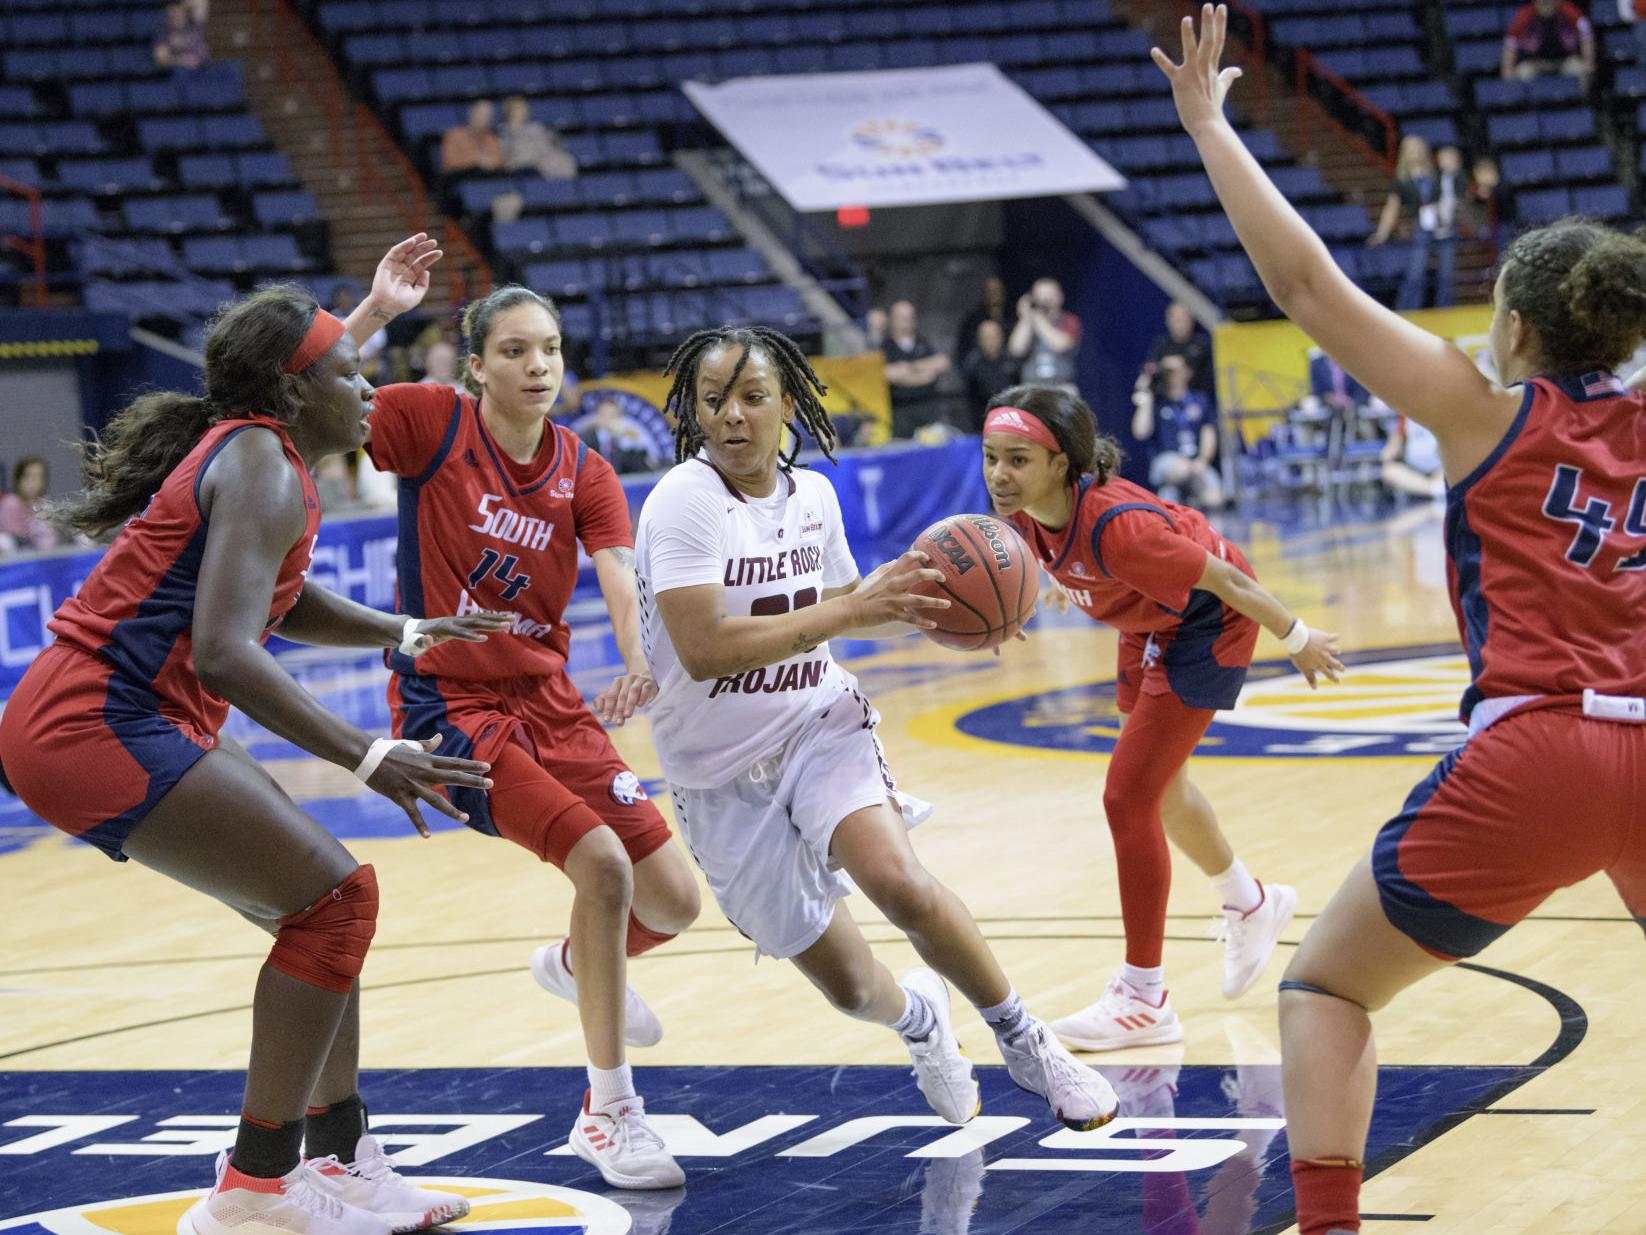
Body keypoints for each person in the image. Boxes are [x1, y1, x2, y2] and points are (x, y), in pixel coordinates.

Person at [1155, 9, 1646, 1234]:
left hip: (1540, 747)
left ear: (1515, 329)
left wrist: (1210, 125)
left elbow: (1304, 285)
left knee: (1324, 986)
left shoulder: (1486, 410)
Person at [0, 286, 502, 1235]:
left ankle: (341, 1160)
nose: (370, 387)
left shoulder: (263, 454)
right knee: (336, 901)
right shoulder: (261, 463)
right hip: (97, 718)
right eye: (350, 372)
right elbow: (227, 651)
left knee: (322, 907)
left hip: (113, 713)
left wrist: (400, 628)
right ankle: (254, 1189)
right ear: (292, 388)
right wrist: (367, 753)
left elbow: (281, 595)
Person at [634, 323, 1120, 1132]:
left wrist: (948, 607)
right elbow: (705, 648)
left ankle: (1024, 1037)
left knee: (900, 882)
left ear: (788, 405)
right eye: (713, 400)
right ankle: (921, 1021)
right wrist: (854, 610)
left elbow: (845, 608)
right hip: (718, 773)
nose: (732, 415)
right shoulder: (685, 500)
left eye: (753, 397)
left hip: (816, 722)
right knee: (854, 988)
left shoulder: (813, 497)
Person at [342, 238, 702, 1191]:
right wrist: (375, 311)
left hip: (549, 699)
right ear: (476, 365)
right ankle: (608, 1112)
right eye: (514, 350)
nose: (538, 364)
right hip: (448, 702)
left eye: (549, 347)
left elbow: (619, 573)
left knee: (673, 898)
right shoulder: (430, 422)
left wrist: (638, 661)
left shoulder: (584, 466)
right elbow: (313, 390)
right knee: (603, 864)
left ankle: (578, 961)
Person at [984, 383, 1340, 1050]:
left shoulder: (1121, 531)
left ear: (1061, 463)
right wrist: (1034, 591)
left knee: (1127, 797)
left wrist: (1298, 639)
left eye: (1017, 460)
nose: (999, 474)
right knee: (1160, 791)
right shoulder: (1028, 511)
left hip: (1208, 622)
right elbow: (1045, 554)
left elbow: (1232, 581)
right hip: (1148, 618)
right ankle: (1251, 902)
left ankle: (1144, 997)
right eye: (991, 457)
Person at [1368, 135, 1460, 311]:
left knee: (1446, 274)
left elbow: (1452, 191)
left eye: (1417, 147)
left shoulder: (1436, 174)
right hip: (1421, 227)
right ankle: (1409, 309)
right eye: (1410, 149)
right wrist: (1382, 233)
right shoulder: (1402, 181)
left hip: (1444, 226)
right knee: (1416, 272)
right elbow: (1391, 208)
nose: (1414, 152)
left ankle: (1445, 309)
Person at [1131, 353, 1223, 509]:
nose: (1169, 376)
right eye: (1165, 371)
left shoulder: (1200, 400)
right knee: (1182, 469)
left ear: (1187, 372)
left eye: (1173, 371)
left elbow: (1208, 434)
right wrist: (1145, 393)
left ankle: (1182, 498)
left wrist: (1202, 461)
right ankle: (1178, 497)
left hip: (1195, 461)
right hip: (1166, 461)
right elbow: (1140, 432)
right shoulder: (1156, 402)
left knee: (1214, 499)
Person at [881, 299, 951, 439]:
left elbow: (942, 362)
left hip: (928, 411)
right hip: (900, 414)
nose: (908, 322)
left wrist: (909, 368)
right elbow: (887, 373)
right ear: (893, 321)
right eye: (903, 318)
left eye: (911, 317)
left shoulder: (923, 343)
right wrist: (923, 373)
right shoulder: (885, 347)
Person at [1008, 277, 1081, 395]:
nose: (1045, 300)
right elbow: (1016, 350)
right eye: (1041, 295)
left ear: (1060, 297)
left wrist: (1037, 317)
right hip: (1031, 386)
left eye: (1049, 295)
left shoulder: (1069, 320)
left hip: (1062, 386)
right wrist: (1025, 319)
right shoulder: (1028, 323)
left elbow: (1061, 345)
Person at [1502, 0, 1594, 85]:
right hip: (1536, 63)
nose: (1546, 2)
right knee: (1523, 72)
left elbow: (1586, 33)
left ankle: (1584, 98)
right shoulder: (1525, 14)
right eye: (1542, 1)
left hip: (1565, 60)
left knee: (1581, 70)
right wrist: (1508, 70)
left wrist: (1589, 62)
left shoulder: (1568, 10)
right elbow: (1510, 42)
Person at [1141, 301, 1213, 402]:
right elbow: (1148, 367)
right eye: (1176, 319)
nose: (1179, 323)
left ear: (1191, 320)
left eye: (1183, 318)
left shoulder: (1202, 343)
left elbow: (1198, 371)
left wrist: (1180, 366)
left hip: (1198, 400)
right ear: (1167, 321)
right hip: (1163, 400)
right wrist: (1162, 365)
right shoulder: (1160, 344)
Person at [960, 319, 1019, 433]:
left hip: (1012, 419)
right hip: (983, 423)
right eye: (987, 337)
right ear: (979, 339)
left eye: (994, 336)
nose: (991, 341)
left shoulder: (1011, 361)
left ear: (1001, 337)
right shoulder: (972, 365)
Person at [501, 95, 578, 180]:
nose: (523, 112)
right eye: (519, 109)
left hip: (542, 156)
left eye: (524, 109)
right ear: (510, 111)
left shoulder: (535, 127)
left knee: (567, 161)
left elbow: (550, 140)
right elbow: (507, 150)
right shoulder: (505, 130)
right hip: (523, 159)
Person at [581, 396, 656, 474]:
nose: (608, 420)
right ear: (596, 416)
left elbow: (645, 456)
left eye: (612, 416)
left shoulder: (626, 440)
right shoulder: (586, 439)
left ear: (620, 418)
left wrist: (624, 435)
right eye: (604, 415)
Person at [0, 456, 58, 553]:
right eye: (29, 476)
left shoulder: (44, 504)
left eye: (39, 477)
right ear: (18, 479)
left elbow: (52, 541)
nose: (34, 482)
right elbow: (17, 543)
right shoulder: (11, 503)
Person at [1379, 416, 1445, 500]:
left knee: (1447, 474)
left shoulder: (1442, 413)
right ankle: (1435, 490)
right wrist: (1391, 449)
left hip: (1439, 467)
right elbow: (1397, 437)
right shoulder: (1405, 416)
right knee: (1389, 471)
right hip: (1412, 469)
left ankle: (1436, 489)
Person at [953, 274, 1009, 364]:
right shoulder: (973, 320)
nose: (994, 295)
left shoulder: (1011, 317)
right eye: (990, 291)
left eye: (997, 291)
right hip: (979, 366)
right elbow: (964, 350)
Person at [440, 100, 504, 176]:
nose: (484, 119)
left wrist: (490, 163)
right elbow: (450, 161)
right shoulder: (454, 135)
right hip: (460, 178)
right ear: (472, 114)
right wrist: (477, 161)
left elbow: (499, 161)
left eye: (487, 116)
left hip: (485, 179)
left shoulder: (491, 138)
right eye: (481, 114)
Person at [153, 0, 208, 70]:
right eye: (171, 15)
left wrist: (183, 5)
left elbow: (201, 2)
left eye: (177, 12)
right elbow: (162, 59)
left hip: (204, 69)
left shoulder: (195, 25)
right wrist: (183, 60)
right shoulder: (163, 34)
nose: (175, 16)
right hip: (181, 72)